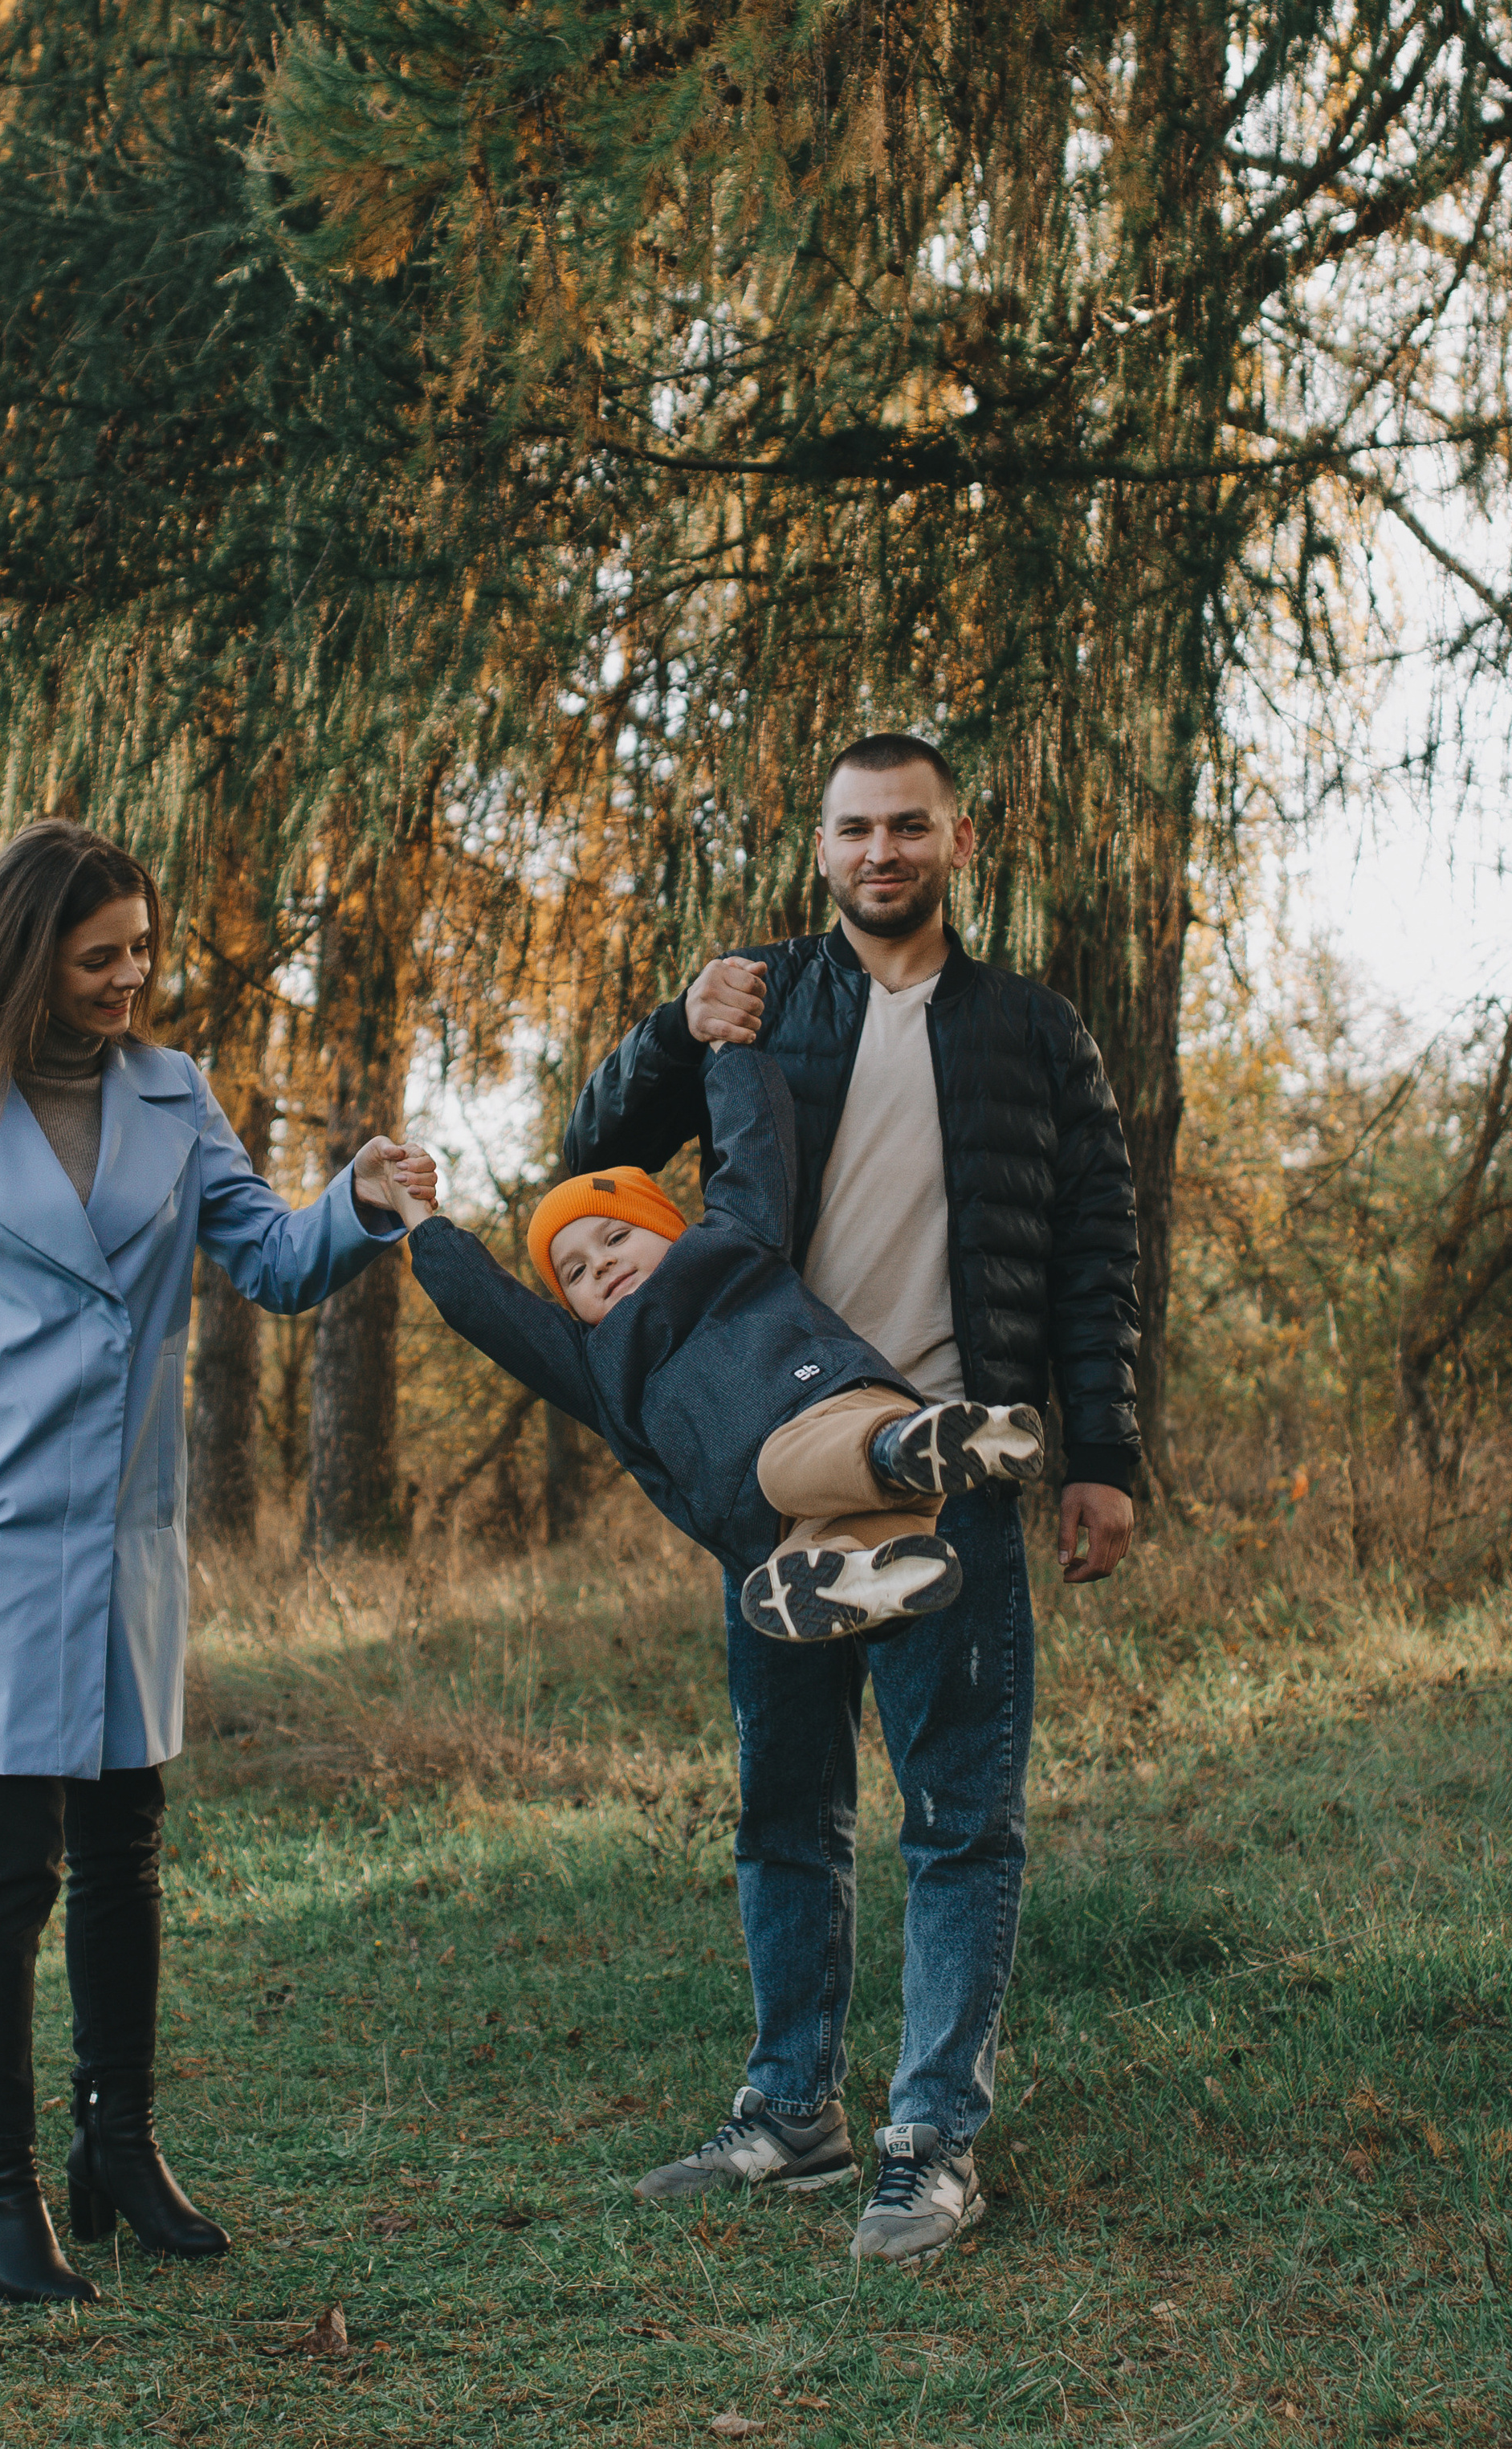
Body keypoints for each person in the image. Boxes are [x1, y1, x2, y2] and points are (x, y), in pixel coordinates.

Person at [0, 820, 434, 2305]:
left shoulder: (173, 1091)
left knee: (127, 1834)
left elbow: (273, 1262)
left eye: (144, 950)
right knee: (6, 1852)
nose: (130, 980)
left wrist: (353, 1196)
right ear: (29, 955)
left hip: (125, 1518)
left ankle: (120, 2146)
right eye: (101, 956)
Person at [560, 733, 1139, 2260]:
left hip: (950, 1469)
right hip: (780, 1485)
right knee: (784, 1806)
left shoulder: (1033, 1027)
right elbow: (590, 1159)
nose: (882, 851)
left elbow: (1094, 1249)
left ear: (957, 838)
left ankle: (931, 2133)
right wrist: (669, 1033)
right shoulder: (759, 997)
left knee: (958, 1815)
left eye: (909, 826)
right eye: (855, 828)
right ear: (819, 846)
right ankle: (790, 2108)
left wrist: (1105, 1458)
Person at [397, 1044, 1049, 1638]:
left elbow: (755, 1140)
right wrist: (418, 1221)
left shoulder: (729, 1244)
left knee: (784, 1467)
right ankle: (874, 1572)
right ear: (569, 1305)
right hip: (770, 1524)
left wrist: (728, 1048)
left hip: (826, 1401)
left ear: (667, 1228)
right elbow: (489, 1310)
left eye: (616, 1236)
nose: (598, 1264)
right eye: (573, 1271)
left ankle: (899, 1446)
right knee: (812, 1558)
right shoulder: (594, 1364)